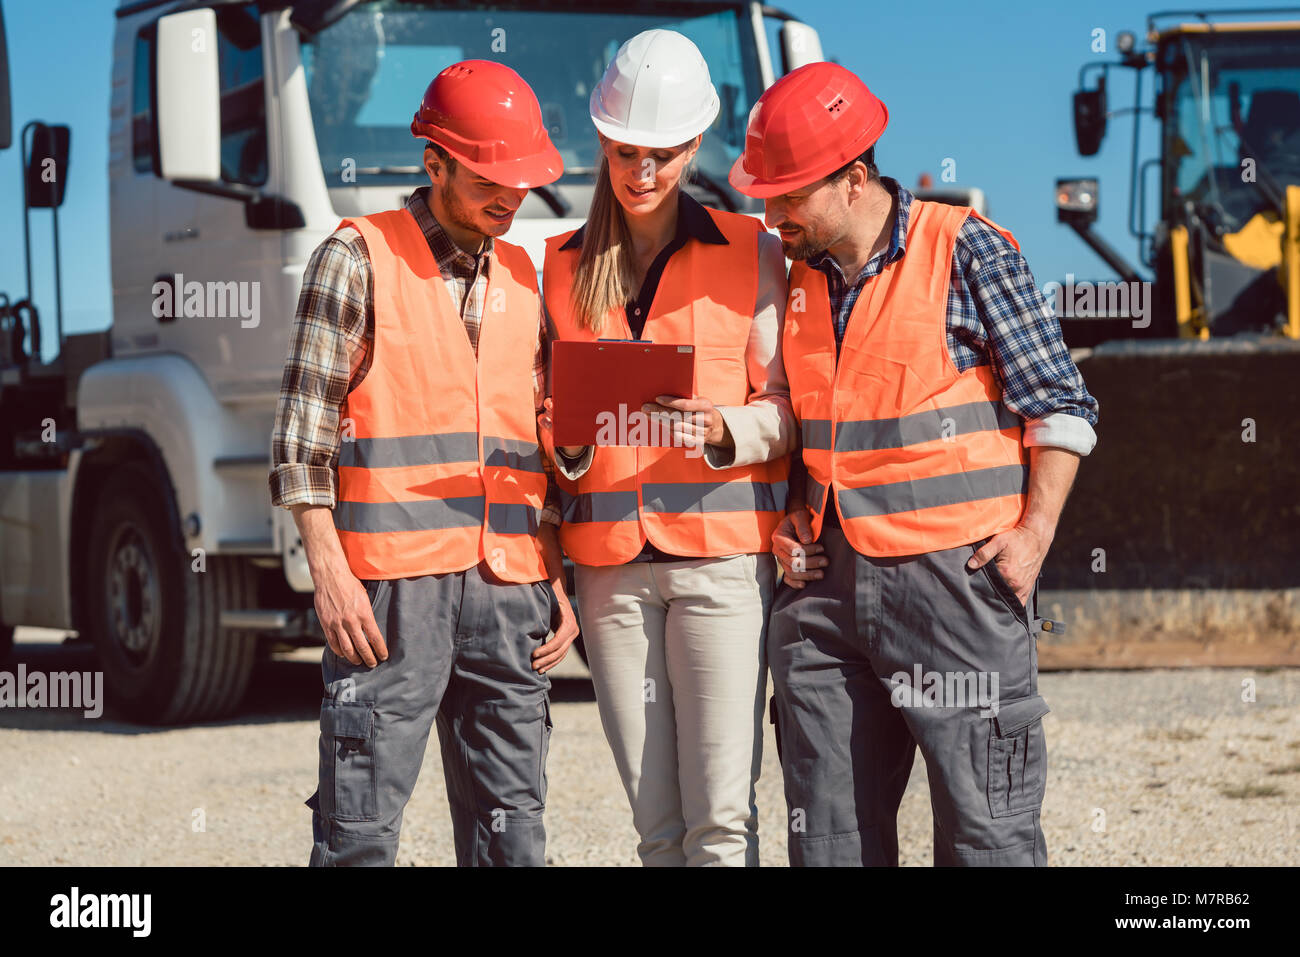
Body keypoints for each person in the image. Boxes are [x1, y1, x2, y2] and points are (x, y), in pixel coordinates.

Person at [728, 62, 1099, 866]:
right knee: (828, 839)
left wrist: (1034, 534)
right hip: (824, 595)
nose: (770, 211)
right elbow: (814, 417)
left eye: (788, 194)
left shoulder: (967, 250)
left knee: (985, 837)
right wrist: (795, 504)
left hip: (957, 585)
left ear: (855, 178)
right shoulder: (794, 279)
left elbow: (1061, 403)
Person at [270, 60, 579, 867]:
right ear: (434, 161)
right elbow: (303, 440)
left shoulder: (522, 272)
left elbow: (527, 444)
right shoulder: (357, 256)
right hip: (391, 593)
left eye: (520, 178)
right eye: (487, 177)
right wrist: (330, 573)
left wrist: (553, 571)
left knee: (513, 832)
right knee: (360, 831)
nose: (509, 197)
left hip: (510, 590)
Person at [538, 29, 794, 866]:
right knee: (656, 829)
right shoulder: (555, 268)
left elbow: (791, 408)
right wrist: (566, 438)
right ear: (603, 144)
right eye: (625, 153)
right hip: (608, 570)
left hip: (721, 567)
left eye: (662, 154)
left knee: (721, 823)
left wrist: (728, 428)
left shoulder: (754, 251)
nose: (642, 174)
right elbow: (539, 419)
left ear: (692, 147)